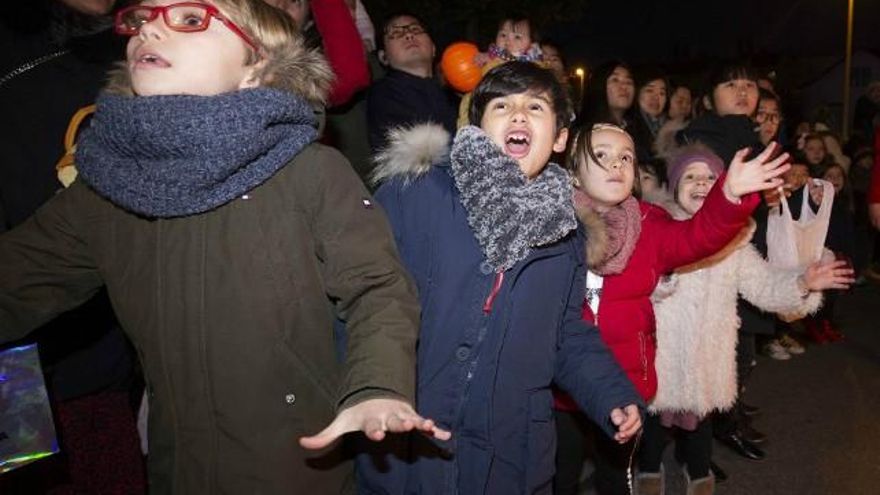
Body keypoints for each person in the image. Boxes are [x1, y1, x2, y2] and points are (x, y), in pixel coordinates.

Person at [0, 1, 450, 492]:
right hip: (176, 472)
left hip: (299, 470)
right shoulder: (106, 190)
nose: (149, 31)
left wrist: (376, 386)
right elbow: (17, 280)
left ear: (255, 66)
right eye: (143, 19)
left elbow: (377, 288)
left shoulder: (310, 172)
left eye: (190, 19)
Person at [360, 61, 642, 495]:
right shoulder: (416, 194)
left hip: (510, 451)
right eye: (502, 105)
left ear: (560, 138)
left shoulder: (567, 236)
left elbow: (567, 334)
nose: (518, 115)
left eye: (535, 107)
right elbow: (364, 298)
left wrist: (611, 394)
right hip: (410, 436)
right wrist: (368, 388)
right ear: (475, 128)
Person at [553, 123, 789, 495]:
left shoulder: (649, 224)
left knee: (615, 478)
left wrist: (729, 194)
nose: (616, 164)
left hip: (623, 383)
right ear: (574, 173)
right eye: (601, 155)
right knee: (558, 476)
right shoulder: (551, 227)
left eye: (626, 157)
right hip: (560, 390)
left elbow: (697, 237)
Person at [635, 145, 852, 495]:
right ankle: (649, 468)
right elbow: (636, 290)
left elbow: (763, 285)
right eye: (690, 177)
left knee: (701, 421)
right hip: (662, 354)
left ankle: (697, 470)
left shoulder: (734, 243)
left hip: (708, 355)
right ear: (674, 188)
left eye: (710, 177)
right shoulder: (656, 231)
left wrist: (802, 282)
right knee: (654, 422)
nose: (701, 183)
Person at [366, 11, 457, 152]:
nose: (409, 35)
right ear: (384, 57)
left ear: (433, 48)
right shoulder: (384, 96)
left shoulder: (454, 92)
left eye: (416, 29)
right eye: (396, 33)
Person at [455, 14, 545, 127]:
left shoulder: (536, 67)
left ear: (532, 44)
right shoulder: (490, 59)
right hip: (484, 112)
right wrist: (481, 64)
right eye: (503, 35)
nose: (508, 41)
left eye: (517, 37)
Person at [627, 68, 669, 162]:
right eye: (649, 90)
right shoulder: (628, 128)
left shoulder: (670, 128)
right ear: (637, 92)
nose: (656, 97)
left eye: (662, 93)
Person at [578, 60, 634, 128]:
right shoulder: (596, 129)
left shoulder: (633, 128)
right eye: (615, 80)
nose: (624, 86)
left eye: (629, 82)